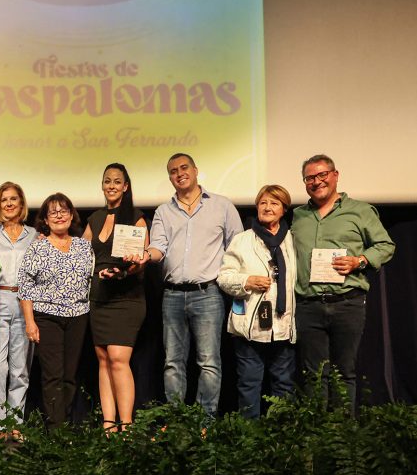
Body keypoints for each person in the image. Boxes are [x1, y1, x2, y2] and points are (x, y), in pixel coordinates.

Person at [129, 153, 243, 415]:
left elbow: (237, 248)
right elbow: (158, 247)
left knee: (208, 362)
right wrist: (145, 256)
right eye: (173, 171)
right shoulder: (163, 211)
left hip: (208, 294)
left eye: (184, 168)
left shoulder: (222, 206)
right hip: (172, 296)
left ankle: (205, 422)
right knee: (173, 363)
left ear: (195, 170)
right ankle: (178, 420)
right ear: (170, 177)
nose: (179, 173)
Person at [291, 154, 395, 408]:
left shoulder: (359, 211)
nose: (316, 182)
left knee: (344, 372)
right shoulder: (298, 216)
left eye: (322, 175)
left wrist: (359, 261)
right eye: (310, 178)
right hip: (308, 304)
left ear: (335, 175)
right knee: (314, 375)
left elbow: (385, 245)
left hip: (347, 302)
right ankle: (318, 436)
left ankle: (341, 434)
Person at [217, 184, 297, 419]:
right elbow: (224, 277)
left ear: (284, 209)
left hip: (283, 326)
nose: (267, 207)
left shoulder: (293, 241)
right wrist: (247, 281)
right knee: (249, 385)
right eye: (263, 203)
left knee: (283, 386)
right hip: (249, 329)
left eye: (274, 203)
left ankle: (281, 437)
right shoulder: (242, 240)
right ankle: (250, 439)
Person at [18, 193, 94, 428]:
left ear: (72, 216)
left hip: (78, 317)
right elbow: (25, 286)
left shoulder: (83, 246)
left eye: (64, 211)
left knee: (70, 376)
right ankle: (55, 430)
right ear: (45, 219)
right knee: (53, 376)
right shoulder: (37, 248)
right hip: (46, 317)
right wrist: (30, 322)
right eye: (53, 212)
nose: (59, 215)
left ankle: (67, 426)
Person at [82, 163, 147, 430]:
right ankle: (109, 424)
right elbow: (79, 253)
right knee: (103, 360)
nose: (111, 185)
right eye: (107, 181)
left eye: (117, 181)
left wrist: (124, 270)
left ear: (126, 186)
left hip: (126, 296)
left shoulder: (135, 216)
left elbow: (141, 262)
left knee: (119, 360)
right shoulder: (94, 219)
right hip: (98, 298)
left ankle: (127, 425)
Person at [0, 182, 37, 421]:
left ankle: (16, 422)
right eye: (4, 199)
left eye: (14, 199)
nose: (9, 203)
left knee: (20, 369)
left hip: (25, 303)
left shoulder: (34, 235)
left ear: (21, 203)